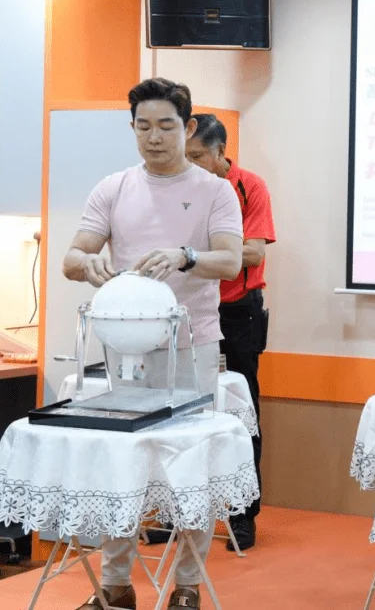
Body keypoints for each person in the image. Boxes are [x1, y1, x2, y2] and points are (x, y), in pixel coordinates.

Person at [62, 78, 244, 610]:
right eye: (143, 127)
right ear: (133, 128)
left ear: (188, 127)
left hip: (192, 344)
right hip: (125, 346)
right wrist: (88, 263)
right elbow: (72, 257)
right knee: (122, 465)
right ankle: (115, 586)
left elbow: (231, 261)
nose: (154, 137)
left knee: (190, 467)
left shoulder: (215, 190)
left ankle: (186, 586)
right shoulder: (114, 187)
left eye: (166, 125)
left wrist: (186, 256)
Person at [185, 113, 276, 551]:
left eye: (196, 156)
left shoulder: (249, 186)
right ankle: (178, 509)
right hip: (187, 311)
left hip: (237, 311)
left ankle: (243, 514)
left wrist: (195, 254)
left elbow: (253, 253)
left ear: (220, 151)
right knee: (180, 411)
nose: (189, 164)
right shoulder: (178, 188)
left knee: (242, 413)